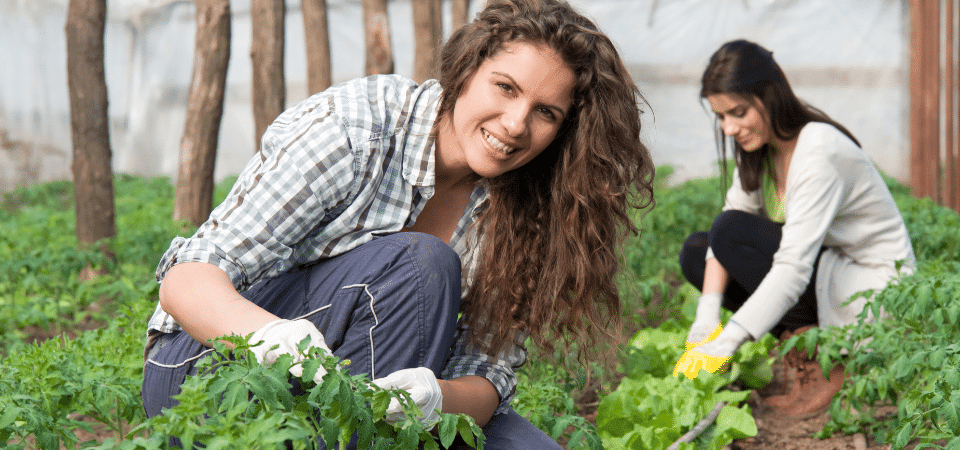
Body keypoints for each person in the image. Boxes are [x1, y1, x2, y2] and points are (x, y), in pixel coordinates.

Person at [141, 0, 654, 447]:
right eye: (504, 87)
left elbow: (487, 373)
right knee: (419, 264)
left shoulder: (530, 207)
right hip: (209, 370)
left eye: (545, 112)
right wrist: (274, 338)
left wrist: (436, 399)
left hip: (366, 397)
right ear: (467, 70)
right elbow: (188, 279)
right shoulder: (356, 128)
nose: (516, 123)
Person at [673, 39, 915, 417]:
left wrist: (730, 340)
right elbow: (728, 223)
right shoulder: (763, 150)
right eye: (721, 117)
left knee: (730, 233)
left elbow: (792, 267)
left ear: (769, 97)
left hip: (870, 290)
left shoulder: (818, 152)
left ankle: (830, 364)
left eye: (738, 112)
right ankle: (803, 349)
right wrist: (707, 316)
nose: (729, 128)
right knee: (697, 252)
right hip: (829, 273)